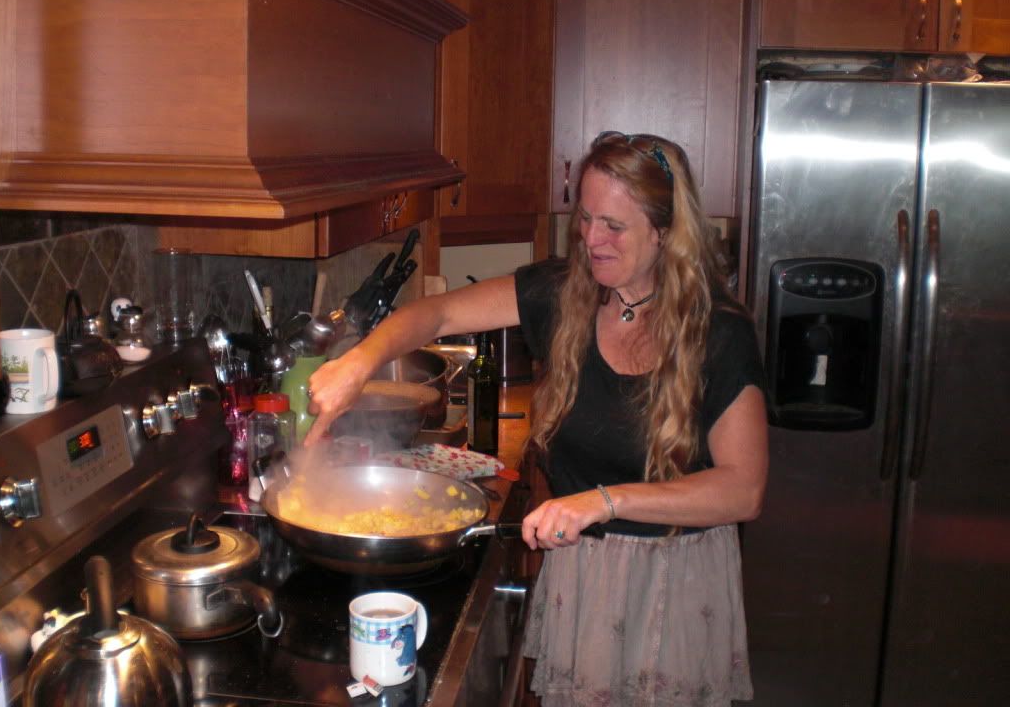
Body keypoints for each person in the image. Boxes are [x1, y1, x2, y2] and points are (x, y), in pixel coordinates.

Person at [305, 131, 768, 707]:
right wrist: (359, 362)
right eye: (586, 219)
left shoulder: (719, 332)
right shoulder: (566, 293)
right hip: (585, 574)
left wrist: (603, 501)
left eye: (614, 226)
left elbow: (743, 490)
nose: (591, 240)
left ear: (665, 231)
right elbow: (438, 313)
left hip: (673, 585)